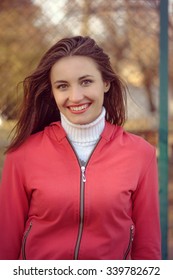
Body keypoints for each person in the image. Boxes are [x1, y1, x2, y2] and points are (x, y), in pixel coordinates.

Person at [0, 35, 161, 260]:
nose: (75, 97)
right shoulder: (22, 155)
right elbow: (6, 245)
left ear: (105, 83)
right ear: (52, 92)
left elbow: (148, 247)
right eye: (62, 86)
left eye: (86, 82)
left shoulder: (141, 154)